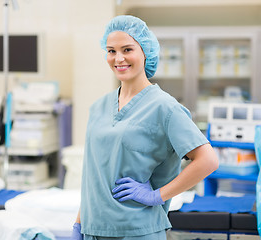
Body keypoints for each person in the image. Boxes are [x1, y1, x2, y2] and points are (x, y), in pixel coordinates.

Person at [71, 15, 219, 240]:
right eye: (111, 51)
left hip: (136, 230)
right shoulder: (98, 107)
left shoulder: (164, 107)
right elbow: (93, 174)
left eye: (127, 49)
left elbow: (208, 160)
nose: (118, 58)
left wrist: (156, 196)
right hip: (93, 229)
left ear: (145, 53)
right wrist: (79, 224)